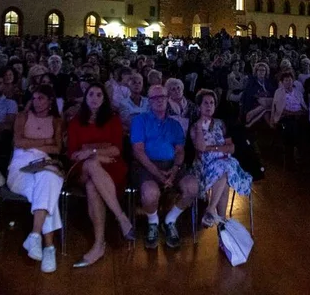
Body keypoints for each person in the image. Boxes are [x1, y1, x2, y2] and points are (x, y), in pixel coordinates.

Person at [66, 83, 135, 268]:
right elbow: (73, 153)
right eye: (91, 95)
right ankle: (121, 217)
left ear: (104, 99)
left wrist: (90, 150)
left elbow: (117, 150)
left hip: (112, 168)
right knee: (91, 164)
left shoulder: (113, 120)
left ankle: (99, 244)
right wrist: (97, 153)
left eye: (98, 95)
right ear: (85, 98)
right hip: (82, 169)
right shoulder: (76, 121)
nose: (94, 98)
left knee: (92, 185)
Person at [131, 84, 198, 249]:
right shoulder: (140, 120)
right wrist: (160, 175)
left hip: (172, 166)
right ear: (149, 101)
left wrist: (174, 171)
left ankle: (170, 220)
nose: (159, 100)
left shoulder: (175, 124)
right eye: (154, 97)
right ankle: (153, 222)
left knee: (193, 187)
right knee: (150, 193)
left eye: (162, 97)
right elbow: (138, 151)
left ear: (168, 99)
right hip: (146, 165)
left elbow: (180, 151)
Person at [7, 84, 64, 273]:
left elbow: (57, 149)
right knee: (48, 194)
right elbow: (18, 142)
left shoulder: (56, 120)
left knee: (47, 180)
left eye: (42, 98)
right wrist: (45, 142)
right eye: (35, 98)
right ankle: (49, 247)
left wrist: (33, 144)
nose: (37, 102)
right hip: (20, 166)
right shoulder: (22, 117)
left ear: (50, 102)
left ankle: (35, 236)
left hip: (44, 163)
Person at [191, 89, 252, 227]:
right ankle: (221, 223)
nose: (209, 106)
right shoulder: (195, 127)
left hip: (224, 163)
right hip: (205, 168)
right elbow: (200, 148)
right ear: (199, 106)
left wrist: (212, 148)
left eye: (212, 103)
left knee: (224, 168)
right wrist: (201, 128)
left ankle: (211, 210)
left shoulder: (220, 124)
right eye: (205, 103)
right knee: (224, 175)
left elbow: (231, 148)